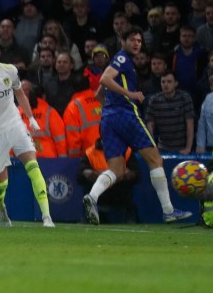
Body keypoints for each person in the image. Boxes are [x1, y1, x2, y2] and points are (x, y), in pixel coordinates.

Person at [82, 27, 192, 225]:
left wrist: (111, 107)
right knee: (155, 159)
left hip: (108, 119)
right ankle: (168, 210)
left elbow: (99, 93)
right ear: (122, 41)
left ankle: (92, 196)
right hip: (126, 115)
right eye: (132, 40)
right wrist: (129, 95)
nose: (136, 44)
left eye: (139, 41)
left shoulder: (123, 61)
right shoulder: (123, 59)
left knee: (116, 170)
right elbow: (104, 79)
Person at [0, 40, 54, 227]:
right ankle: (0, 206)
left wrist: (30, 119)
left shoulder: (10, 71)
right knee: (1, 184)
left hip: (14, 124)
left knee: (33, 166)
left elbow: (20, 94)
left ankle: (47, 216)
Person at [77, 138, 140, 224]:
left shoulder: (126, 151)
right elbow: (81, 174)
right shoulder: (90, 153)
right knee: (87, 184)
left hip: (119, 187)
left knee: (128, 184)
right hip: (99, 190)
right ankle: (88, 215)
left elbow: (135, 173)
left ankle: (130, 216)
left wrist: (124, 175)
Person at [144, 70, 195, 154]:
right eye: (163, 82)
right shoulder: (154, 100)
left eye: (169, 82)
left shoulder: (185, 98)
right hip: (162, 147)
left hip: (181, 148)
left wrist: (188, 148)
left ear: (176, 83)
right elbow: (150, 125)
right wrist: (153, 147)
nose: (165, 84)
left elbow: (190, 124)